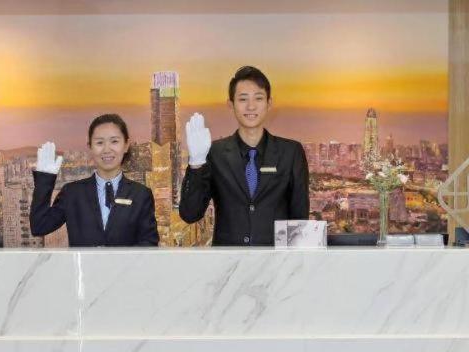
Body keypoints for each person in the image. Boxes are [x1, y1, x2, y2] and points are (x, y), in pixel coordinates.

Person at [179, 66, 309, 245]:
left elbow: (300, 221)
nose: (251, 106)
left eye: (258, 98)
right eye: (243, 99)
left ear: (269, 103)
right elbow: (190, 214)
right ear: (231, 104)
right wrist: (196, 163)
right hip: (228, 261)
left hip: (276, 260)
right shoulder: (214, 153)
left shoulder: (291, 152)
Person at [30, 113, 159, 247]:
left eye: (114, 141)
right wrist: (44, 179)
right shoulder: (72, 193)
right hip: (82, 263)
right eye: (99, 143)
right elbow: (39, 226)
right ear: (90, 147)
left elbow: (149, 243)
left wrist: (115, 257)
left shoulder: (141, 194)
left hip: (126, 263)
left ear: (126, 145)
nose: (107, 149)